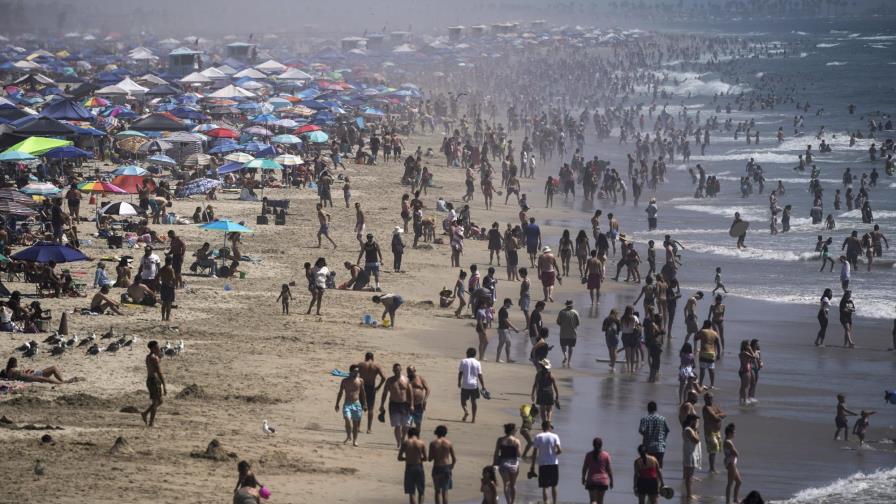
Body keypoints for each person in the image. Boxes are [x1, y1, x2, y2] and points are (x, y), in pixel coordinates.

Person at [380, 363, 413, 448]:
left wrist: (412, 404)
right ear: (393, 370)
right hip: (394, 404)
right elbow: (385, 393)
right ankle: (399, 442)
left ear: (401, 369)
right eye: (395, 369)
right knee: (397, 425)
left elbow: (411, 393)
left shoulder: (406, 379)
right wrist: (382, 405)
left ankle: (402, 439)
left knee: (406, 426)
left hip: (405, 404)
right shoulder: (390, 380)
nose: (396, 371)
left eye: (398, 369)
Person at [530, 421, 562, 504]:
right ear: (549, 427)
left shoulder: (538, 436)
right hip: (553, 463)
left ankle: (546, 502)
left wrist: (532, 466)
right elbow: (559, 450)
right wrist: (554, 453)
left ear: (542, 427)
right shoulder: (555, 436)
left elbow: (534, 452)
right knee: (554, 485)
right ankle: (554, 502)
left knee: (544, 486)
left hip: (543, 464)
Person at [335, 364, 367, 447]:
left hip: (357, 404)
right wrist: (337, 403)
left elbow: (363, 393)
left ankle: (354, 440)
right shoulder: (345, 381)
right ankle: (348, 434)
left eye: (358, 371)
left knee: (355, 424)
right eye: (355, 371)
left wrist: (365, 404)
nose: (357, 372)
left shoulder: (360, 380)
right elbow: (340, 392)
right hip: (347, 403)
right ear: (351, 371)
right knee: (347, 419)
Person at [494, 423, 522, 504]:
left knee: (506, 484)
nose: (516, 431)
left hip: (503, 463)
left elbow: (496, 453)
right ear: (512, 430)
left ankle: (508, 502)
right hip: (514, 464)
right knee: (513, 485)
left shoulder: (500, 440)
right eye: (516, 429)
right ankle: (512, 502)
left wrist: (494, 462)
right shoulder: (516, 441)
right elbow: (519, 454)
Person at [398, 426, 427, 504]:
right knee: (421, 491)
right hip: (419, 466)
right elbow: (425, 458)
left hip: (409, 467)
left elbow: (399, 458)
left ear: (409, 434)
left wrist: (406, 458)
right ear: (417, 434)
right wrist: (419, 458)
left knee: (411, 492)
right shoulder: (421, 443)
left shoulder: (405, 443)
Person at [359, 352, 386, 433]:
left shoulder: (361, 365)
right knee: (370, 409)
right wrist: (378, 387)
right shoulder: (376, 366)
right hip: (371, 388)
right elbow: (384, 378)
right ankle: (369, 429)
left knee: (360, 407)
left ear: (365, 357)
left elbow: (354, 375)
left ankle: (358, 427)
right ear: (373, 358)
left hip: (362, 387)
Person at [428, 425, 456, 504]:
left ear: (436, 432)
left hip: (437, 467)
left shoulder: (433, 443)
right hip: (446, 467)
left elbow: (430, 459)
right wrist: (452, 466)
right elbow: (454, 458)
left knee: (437, 491)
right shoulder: (449, 443)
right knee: (445, 492)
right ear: (445, 433)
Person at [141, 340, 166, 427]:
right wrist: (164, 385)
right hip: (154, 381)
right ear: (152, 348)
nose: (158, 348)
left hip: (150, 380)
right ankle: (151, 422)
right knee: (157, 402)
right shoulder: (154, 358)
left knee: (158, 401)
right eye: (156, 347)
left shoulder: (149, 357)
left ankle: (145, 413)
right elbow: (159, 372)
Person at [581, 437, 613, 504]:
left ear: (593, 445)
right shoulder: (606, 455)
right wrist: (611, 481)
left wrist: (583, 478)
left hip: (592, 480)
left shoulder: (588, 455)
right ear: (601, 445)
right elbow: (609, 469)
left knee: (593, 500)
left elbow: (585, 468)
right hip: (603, 481)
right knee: (600, 501)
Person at [638, 401, 670, 467]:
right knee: (659, 467)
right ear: (656, 409)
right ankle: (659, 477)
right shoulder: (662, 419)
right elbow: (667, 431)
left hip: (648, 447)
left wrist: (647, 434)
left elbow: (641, 431)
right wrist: (663, 440)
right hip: (660, 447)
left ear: (648, 409)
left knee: (649, 467)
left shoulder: (644, 419)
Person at [1, 357, 78, 384]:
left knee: (53, 368)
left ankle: (63, 381)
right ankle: (63, 382)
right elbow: (13, 377)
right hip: (34, 375)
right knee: (48, 378)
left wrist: (27, 371)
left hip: (34, 374)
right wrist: (27, 371)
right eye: (16, 363)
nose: (16, 364)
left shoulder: (11, 371)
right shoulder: (11, 370)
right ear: (13, 363)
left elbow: (15, 376)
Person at [458, 348, 484, 423]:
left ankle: (466, 411)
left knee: (463, 401)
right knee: (474, 402)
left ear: (467, 353)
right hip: (474, 385)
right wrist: (483, 386)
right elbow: (480, 375)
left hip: (465, 384)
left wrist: (459, 382)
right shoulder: (478, 363)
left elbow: (460, 373)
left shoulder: (463, 361)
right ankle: (473, 419)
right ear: (475, 354)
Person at [702, 393, 726, 473]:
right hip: (710, 431)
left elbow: (724, 414)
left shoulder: (714, 406)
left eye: (711, 398)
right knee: (712, 450)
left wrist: (717, 414)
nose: (710, 399)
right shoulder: (706, 408)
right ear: (705, 399)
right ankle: (711, 468)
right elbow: (715, 418)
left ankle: (712, 467)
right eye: (708, 398)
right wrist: (718, 415)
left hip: (717, 431)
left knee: (716, 450)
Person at [694, 320, 720, 388]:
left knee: (702, 370)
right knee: (711, 370)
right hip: (712, 353)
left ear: (705, 325)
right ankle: (712, 384)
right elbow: (718, 344)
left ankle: (700, 383)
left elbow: (695, 338)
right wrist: (719, 354)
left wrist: (701, 328)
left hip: (703, 352)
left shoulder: (703, 331)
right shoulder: (715, 333)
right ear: (711, 325)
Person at [682, 414, 702, 500]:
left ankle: (690, 494)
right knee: (688, 476)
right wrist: (697, 432)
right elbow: (696, 440)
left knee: (690, 476)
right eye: (696, 421)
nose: (697, 423)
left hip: (691, 454)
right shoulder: (688, 430)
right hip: (689, 454)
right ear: (692, 421)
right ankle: (689, 495)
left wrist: (696, 431)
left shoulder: (691, 429)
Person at [495, 298, 519, 363]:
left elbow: (507, 320)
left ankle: (508, 359)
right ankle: (498, 359)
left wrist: (511, 328)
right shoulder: (503, 310)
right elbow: (506, 321)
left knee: (508, 343)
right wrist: (514, 328)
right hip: (503, 330)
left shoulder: (503, 310)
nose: (510, 306)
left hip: (505, 329)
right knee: (501, 344)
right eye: (509, 304)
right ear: (507, 303)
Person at [556, 300, 580, 366]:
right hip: (573, 333)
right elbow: (578, 323)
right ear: (572, 305)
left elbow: (558, 322)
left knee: (563, 345)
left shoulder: (562, 312)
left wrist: (563, 325)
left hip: (563, 332)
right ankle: (569, 361)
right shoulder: (575, 312)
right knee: (571, 347)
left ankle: (565, 355)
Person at [408, 366, 430, 430]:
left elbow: (427, 389)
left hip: (419, 404)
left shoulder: (420, 378)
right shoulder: (406, 379)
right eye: (408, 372)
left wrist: (425, 400)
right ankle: (410, 438)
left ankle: (417, 437)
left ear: (414, 371)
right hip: (408, 404)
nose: (409, 373)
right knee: (408, 423)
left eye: (411, 371)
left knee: (418, 423)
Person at [724, 424, 741, 504]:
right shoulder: (728, 442)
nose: (734, 434)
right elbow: (736, 453)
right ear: (729, 433)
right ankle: (727, 502)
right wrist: (736, 453)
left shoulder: (729, 441)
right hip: (731, 463)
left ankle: (735, 499)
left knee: (739, 481)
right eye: (733, 433)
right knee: (730, 483)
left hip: (732, 462)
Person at [158, 256, 176, 322]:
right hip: (169, 287)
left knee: (164, 303)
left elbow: (157, 277)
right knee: (169, 304)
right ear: (171, 261)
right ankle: (167, 318)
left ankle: (163, 317)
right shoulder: (171, 269)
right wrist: (174, 286)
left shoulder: (161, 269)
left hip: (163, 286)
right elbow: (173, 278)